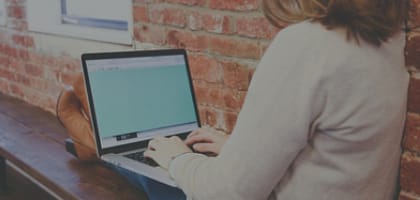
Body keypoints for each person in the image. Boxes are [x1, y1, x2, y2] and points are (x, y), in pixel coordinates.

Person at [57, 0, 410, 199]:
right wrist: (239, 148)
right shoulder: (389, 45)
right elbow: (332, 158)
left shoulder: (308, 45)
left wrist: (178, 158)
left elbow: (227, 194)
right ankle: (96, 140)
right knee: (157, 157)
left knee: (151, 171)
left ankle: (91, 141)